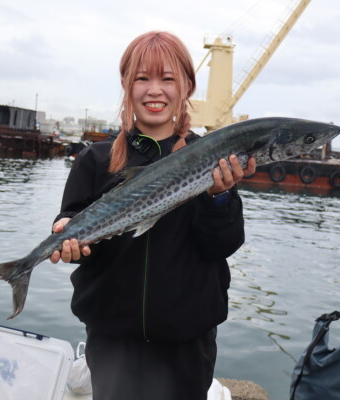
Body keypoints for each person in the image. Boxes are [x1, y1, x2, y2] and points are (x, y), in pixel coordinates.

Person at [50, 31, 256, 400]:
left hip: (187, 342)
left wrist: (219, 197)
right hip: (113, 339)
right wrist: (67, 232)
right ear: (127, 85)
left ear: (187, 86)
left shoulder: (212, 158)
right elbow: (75, 220)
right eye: (142, 78)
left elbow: (222, 245)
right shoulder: (95, 161)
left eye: (167, 79)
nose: (154, 90)